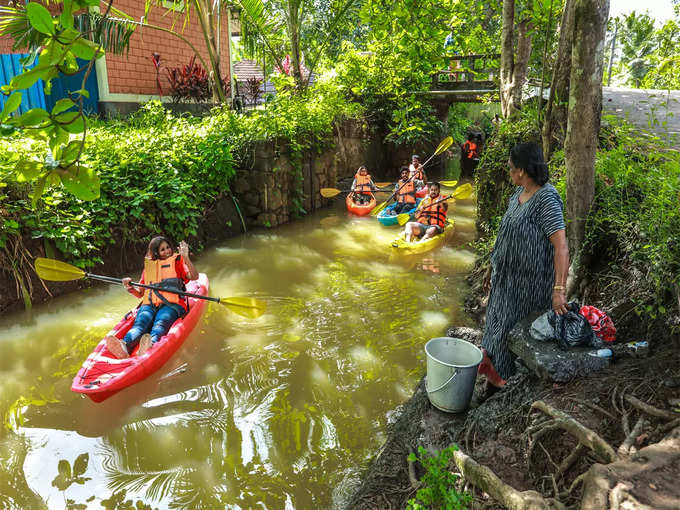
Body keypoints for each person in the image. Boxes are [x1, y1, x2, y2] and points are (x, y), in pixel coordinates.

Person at [477, 143, 569, 395]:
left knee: (509, 332)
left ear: (522, 170)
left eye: (510, 167)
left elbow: (561, 245)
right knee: (494, 327)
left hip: (528, 286)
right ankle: (493, 381)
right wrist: (491, 264)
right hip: (504, 282)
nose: (508, 171)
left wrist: (559, 289)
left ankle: (504, 387)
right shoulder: (516, 196)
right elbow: (505, 235)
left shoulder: (546, 198)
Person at [105, 236, 199, 359]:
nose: (167, 251)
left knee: (160, 323)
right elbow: (140, 293)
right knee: (140, 325)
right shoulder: (149, 268)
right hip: (149, 304)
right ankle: (124, 345)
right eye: (162, 249)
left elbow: (195, 276)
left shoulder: (177, 263)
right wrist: (129, 287)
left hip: (172, 305)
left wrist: (185, 257)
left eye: (167, 248)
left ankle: (151, 345)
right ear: (155, 252)